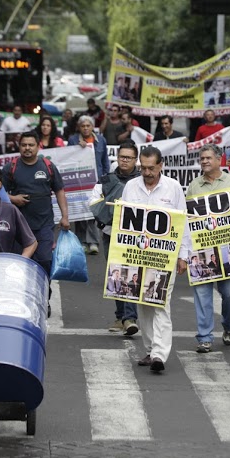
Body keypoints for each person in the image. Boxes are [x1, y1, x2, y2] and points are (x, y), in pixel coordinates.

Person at [123, 147, 192, 374]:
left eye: (152, 167)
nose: (147, 172)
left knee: (160, 303)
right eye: (143, 167)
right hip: (137, 256)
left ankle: (159, 355)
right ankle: (151, 348)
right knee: (143, 304)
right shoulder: (131, 187)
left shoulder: (173, 188)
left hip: (165, 257)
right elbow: (124, 222)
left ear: (161, 165)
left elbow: (184, 223)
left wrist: (184, 255)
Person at [187, 144, 230, 352]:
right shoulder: (194, 186)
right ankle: (205, 337)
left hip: (229, 249)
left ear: (220, 159)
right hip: (202, 250)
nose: (204, 161)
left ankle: (229, 326)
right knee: (202, 295)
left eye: (208, 158)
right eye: (201, 158)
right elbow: (188, 218)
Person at [89, 140, 141, 336]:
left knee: (130, 273)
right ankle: (121, 316)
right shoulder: (105, 179)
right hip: (111, 234)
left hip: (135, 237)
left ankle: (129, 318)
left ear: (136, 160)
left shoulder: (143, 180)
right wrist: (108, 215)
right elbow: (94, 202)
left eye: (128, 157)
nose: (124, 160)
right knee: (116, 273)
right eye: (121, 157)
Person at [5, 131, 70, 284]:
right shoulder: (11, 167)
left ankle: (44, 297)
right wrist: (14, 198)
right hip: (18, 226)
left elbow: (59, 190)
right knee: (18, 264)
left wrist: (65, 216)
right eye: (24, 145)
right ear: (19, 146)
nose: (27, 148)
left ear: (38, 146)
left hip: (44, 225)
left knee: (45, 261)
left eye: (31, 145)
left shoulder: (48, 166)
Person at [68, 116, 109, 255]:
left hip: (96, 182)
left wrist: (106, 179)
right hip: (79, 181)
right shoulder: (73, 140)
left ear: (92, 127)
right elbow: (67, 159)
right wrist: (76, 148)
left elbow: (105, 162)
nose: (85, 128)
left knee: (93, 211)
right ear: (79, 127)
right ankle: (81, 241)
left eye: (88, 125)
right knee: (80, 212)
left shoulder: (101, 140)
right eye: (83, 126)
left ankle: (93, 242)